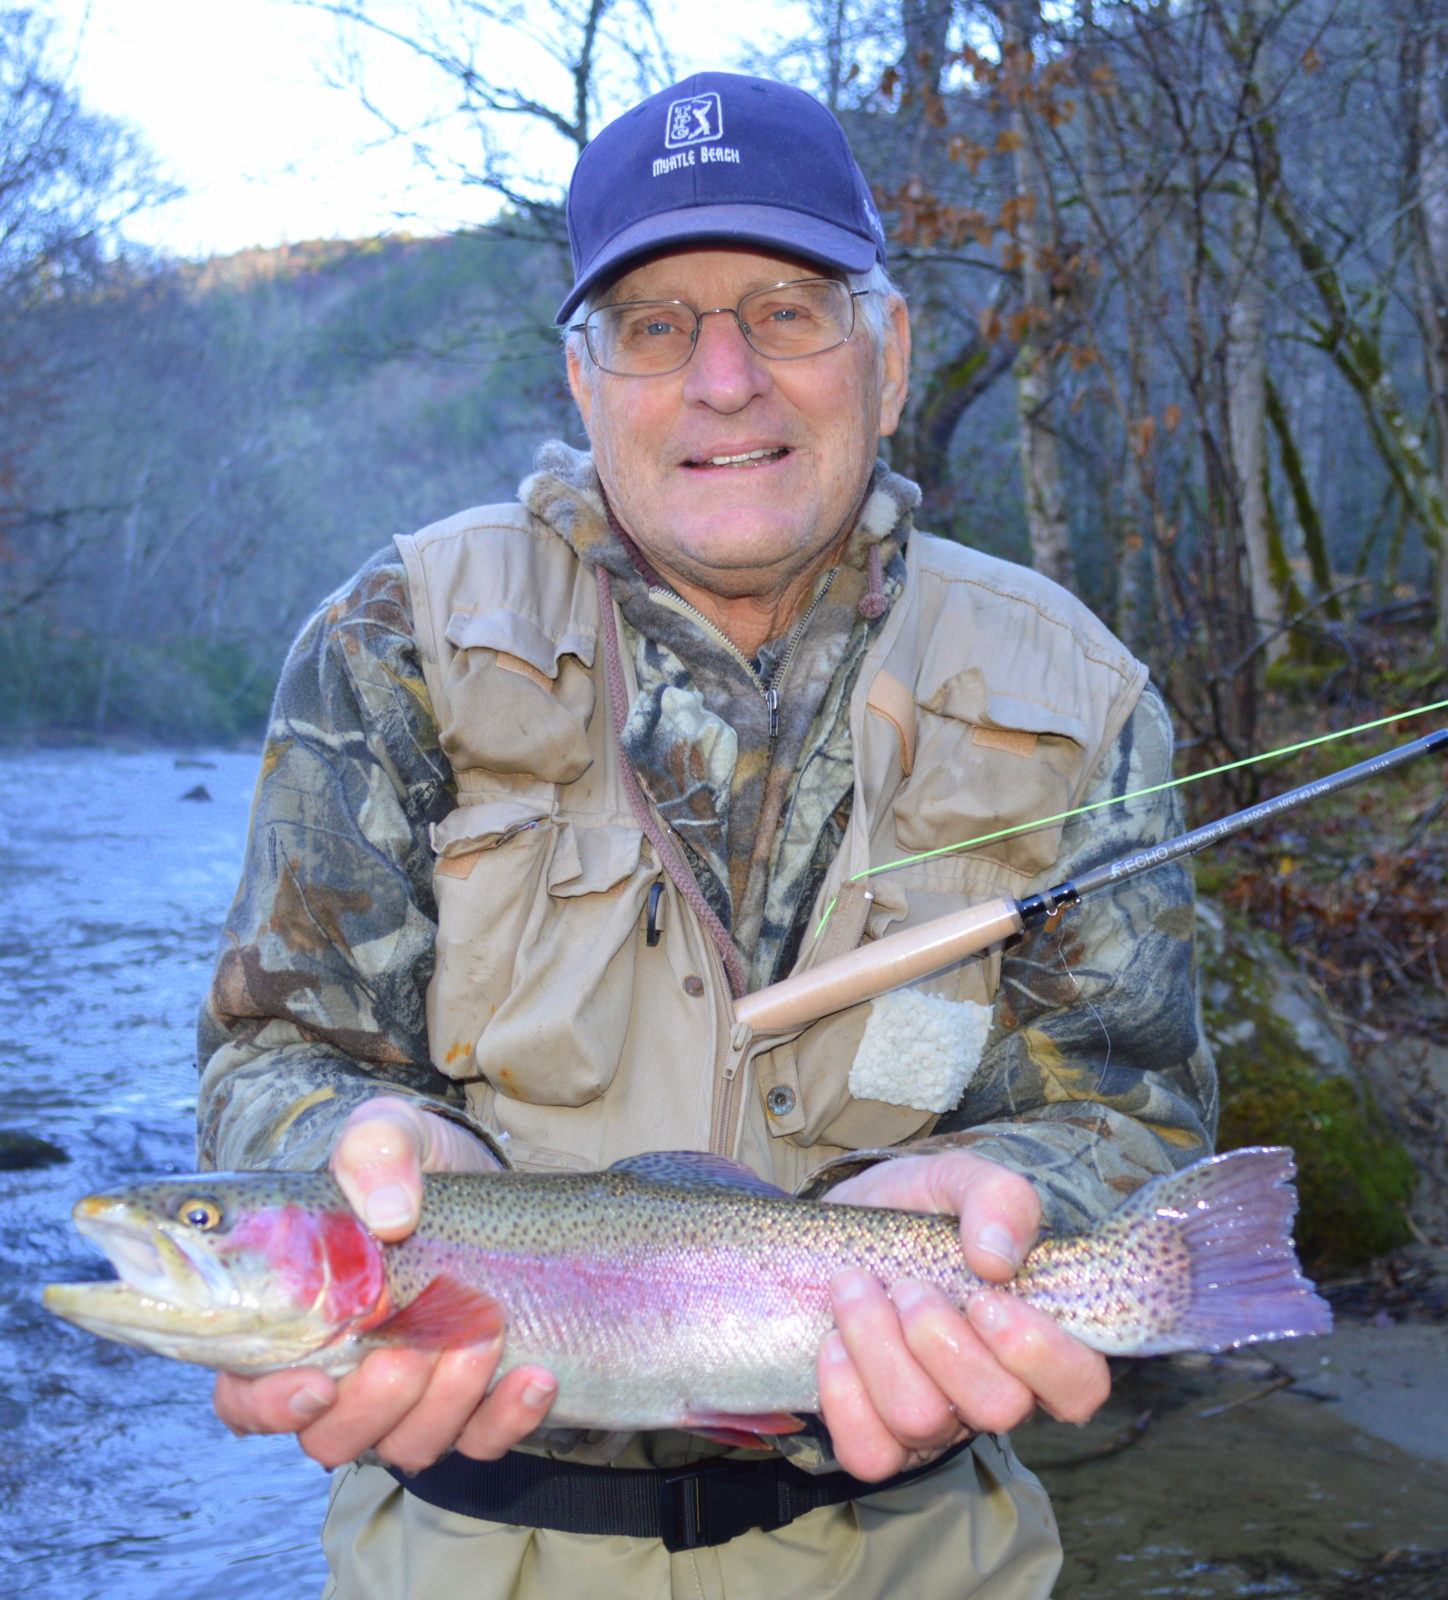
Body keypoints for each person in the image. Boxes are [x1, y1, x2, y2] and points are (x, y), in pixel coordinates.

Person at [198, 70, 1215, 1600]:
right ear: (583, 379)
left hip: (924, 1551)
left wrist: (1028, 1220)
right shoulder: (391, 642)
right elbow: (278, 1053)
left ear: (890, 353)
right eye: (656, 326)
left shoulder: (1074, 693)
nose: (725, 377)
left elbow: (1130, 1115)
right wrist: (336, 1161)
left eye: (788, 310)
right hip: (469, 1551)